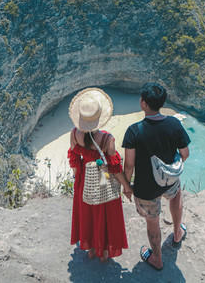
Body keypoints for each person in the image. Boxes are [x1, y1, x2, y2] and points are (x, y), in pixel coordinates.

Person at [122, 82, 190, 270]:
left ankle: (157, 259)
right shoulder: (174, 124)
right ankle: (177, 234)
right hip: (169, 179)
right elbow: (185, 153)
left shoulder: (133, 131)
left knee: (153, 221)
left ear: (143, 103)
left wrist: (127, 186)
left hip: (145, 188)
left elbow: (128, 165)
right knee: (175, 198)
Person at [68, 87, 131, 261]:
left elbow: (74, 160)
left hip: (84, 180)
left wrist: (79, 178)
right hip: (103, 178)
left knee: (88, 212)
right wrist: (127, 187)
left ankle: (90, 248)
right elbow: (115, 168)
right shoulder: (106, 139)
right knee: (105, 213)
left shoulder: (74, 134)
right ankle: (104, 251)